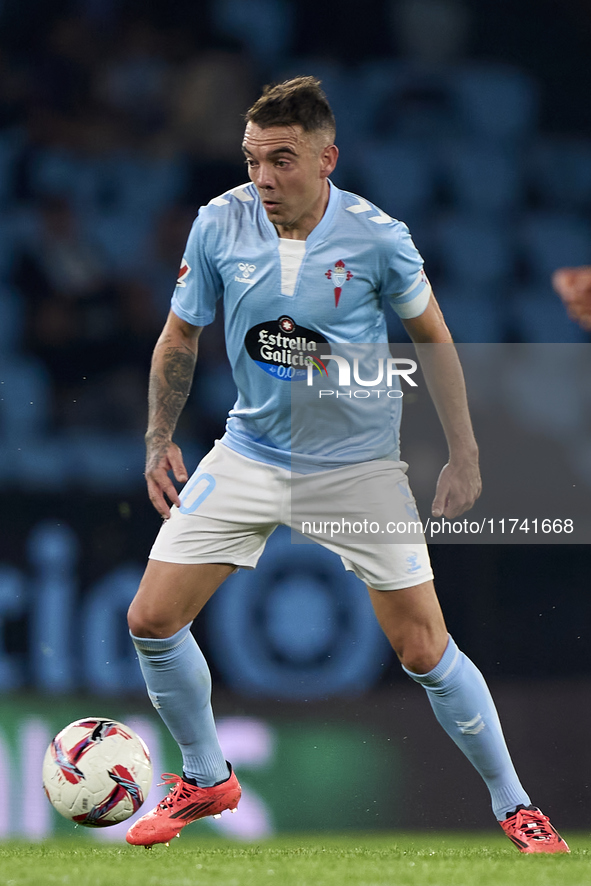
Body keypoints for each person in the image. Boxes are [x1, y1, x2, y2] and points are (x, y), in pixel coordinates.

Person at [125, 77, 568, 854]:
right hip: (250, 452)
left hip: (356, 469)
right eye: (252, 159)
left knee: (423, 649)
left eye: (282, 160)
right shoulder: (218, 223)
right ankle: (205, 775)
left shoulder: (377, 237)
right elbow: (180, 335)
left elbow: (432, 338)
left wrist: (463, 452)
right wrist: (160, 433)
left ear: (327, 158)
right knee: (151, 620)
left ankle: (516, 807)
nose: (262, 178)